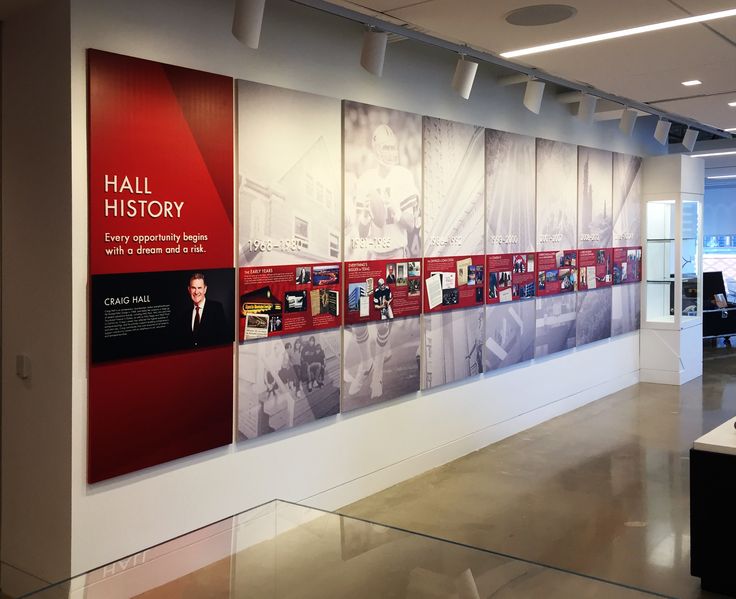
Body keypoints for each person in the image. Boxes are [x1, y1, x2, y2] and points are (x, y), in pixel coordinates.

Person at [349, 124, 421, 259]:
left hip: (398, 252)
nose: (390, 153)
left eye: (392, 148)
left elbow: (411, 225)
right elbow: (362, 234)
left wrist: (397, 212)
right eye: (386, 148)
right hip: (374, 255)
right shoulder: (366, 179)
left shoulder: (404, 175)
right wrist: (365, 216)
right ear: (376, 150)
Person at [176, 272, 229, 348]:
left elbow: (224, 338)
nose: (196, 292)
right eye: (193, 288)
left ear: (205, 289)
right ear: (189, 289)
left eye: (199, 288)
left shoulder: (216, 308)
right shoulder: (185, 315)